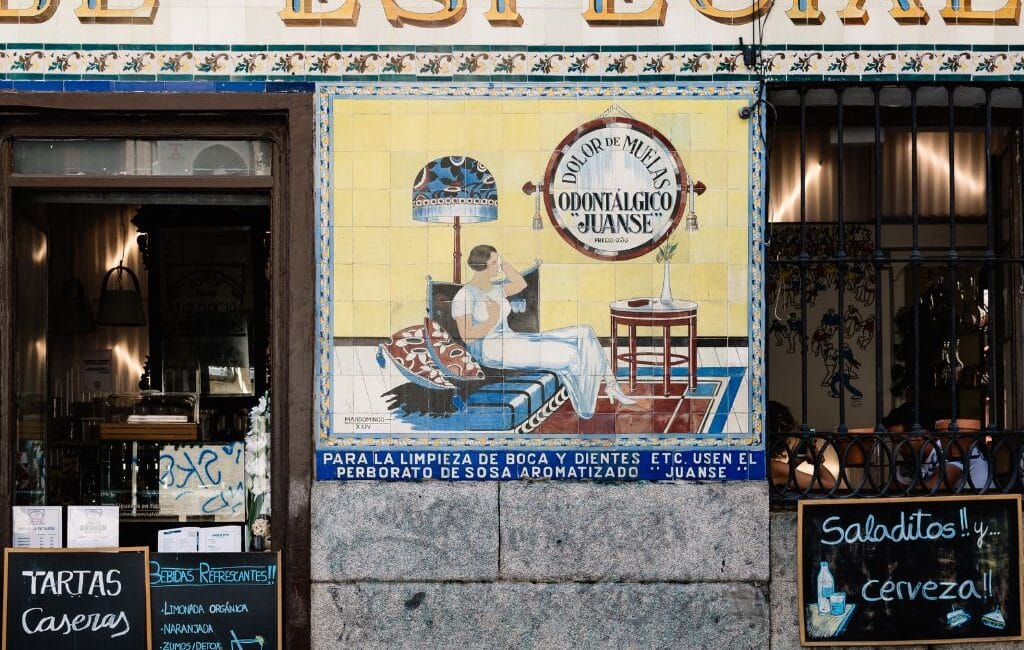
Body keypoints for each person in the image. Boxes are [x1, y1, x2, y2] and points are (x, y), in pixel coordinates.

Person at [452, 244, 635, 419]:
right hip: (491, 350)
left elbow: (520, 283)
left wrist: (503, 262)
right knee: (572, 354)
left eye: (498, 262)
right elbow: (467, 337)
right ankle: (585, 408)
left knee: (585, 332)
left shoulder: (495, 289)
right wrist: (492, 318)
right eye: (494, 263)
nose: (498, 267)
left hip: (512, 340)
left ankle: (611, 385)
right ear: (480, 266)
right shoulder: (466, 295)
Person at [882, 404, 990, 490]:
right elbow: (893, 488)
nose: (897, 447)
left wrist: (908, 488)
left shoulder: (952, 448)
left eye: (900, 441)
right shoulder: (912, 457)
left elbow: (937, 487)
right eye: (893, 441)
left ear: (923, 436)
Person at [767, 401, 836, 491]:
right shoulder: (773, 467)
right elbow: (831, 485)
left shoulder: (767, 466)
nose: (788, 441)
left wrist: (794, 463)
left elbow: (784, 477)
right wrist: (817, 462)